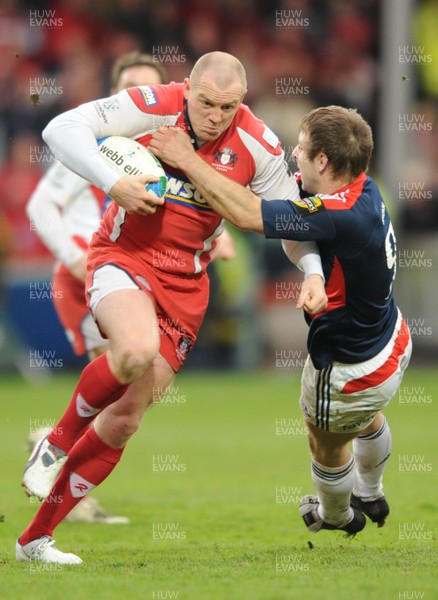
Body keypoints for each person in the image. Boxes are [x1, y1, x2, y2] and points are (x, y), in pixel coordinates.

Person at [17, 51, 327, 564]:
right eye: (206, 102)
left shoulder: (258, 144)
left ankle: (34, 541)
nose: (215, 115)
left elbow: (286, 224)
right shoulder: (152, 105)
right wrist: (113, 182)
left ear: (240, 103)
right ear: (187, 90)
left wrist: (313, 272)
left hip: (187, 286)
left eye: (227, 107)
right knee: (134, 349)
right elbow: (59, 128)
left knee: (123, 421)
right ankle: (54, 444)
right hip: (123, 256)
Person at [148, 105, 412, 536]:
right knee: (365, 419)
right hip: (392, 340)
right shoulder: (364, 190)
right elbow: (297, 203)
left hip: (350, 367)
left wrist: (187, 159)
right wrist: (315, 275)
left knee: (325, 441)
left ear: (323, 161)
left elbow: (250, 216)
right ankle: (372, 490)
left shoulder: (336, 214)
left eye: (303, 149)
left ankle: (338, 516)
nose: (294, 154)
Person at [25, 52, 168, 525]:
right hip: (93, 280)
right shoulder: (98, 147)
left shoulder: (167, 152)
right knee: (120, 389)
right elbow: (41, 207)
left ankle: (51, 441)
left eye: (151, 89)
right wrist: (76, 258)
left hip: (138, 279)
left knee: (134, 393)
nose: (141, 101)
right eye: (131, 89)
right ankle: (68, 492)